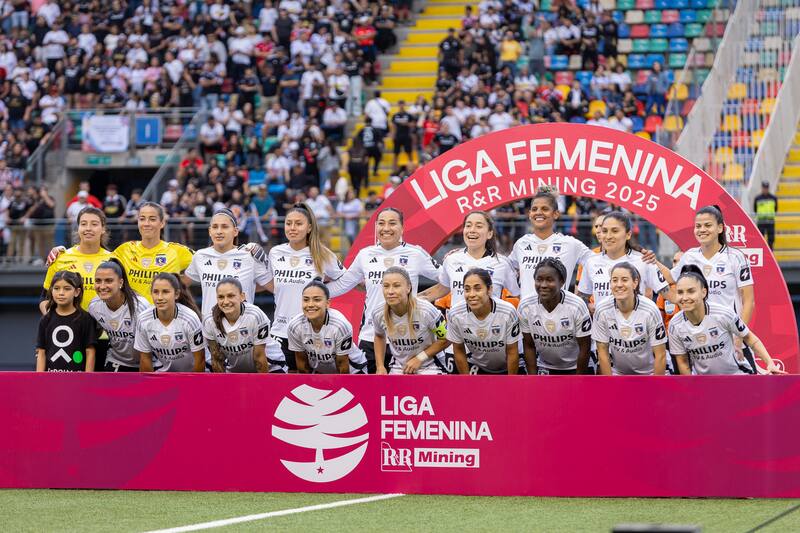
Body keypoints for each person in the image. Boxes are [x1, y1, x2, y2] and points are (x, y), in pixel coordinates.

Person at [327, 208, 441, 373]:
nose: (386, 228)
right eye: (381, 223)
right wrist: (311, 291)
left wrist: (421, 299)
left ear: (402, 228)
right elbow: (343, 284)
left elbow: (447, 279)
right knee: (372, 388)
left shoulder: (415, 253)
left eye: (392, 223)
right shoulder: (365, 255)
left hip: (407, 341)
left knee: (405, 389)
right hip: (371, 337)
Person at [657, 206, 754, 362]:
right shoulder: (690, 256)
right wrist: (652, 261)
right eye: (698, 226)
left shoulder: (736, 257)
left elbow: (749, 301)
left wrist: (739, 338)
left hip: (731, 338)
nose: (702, 230)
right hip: (700, 341)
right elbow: (670, 277)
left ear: (720, 228)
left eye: (708, 225)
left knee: (743, 378)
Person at [48, 202, 194, 303]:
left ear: (162, 223)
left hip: (163, 320)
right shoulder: (124, 250)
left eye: (152, 219)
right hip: (132, 324)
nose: (146, 223)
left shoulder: (176, 251)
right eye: (142, 219)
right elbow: (96, 256)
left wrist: (180, 284)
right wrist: (61, 250)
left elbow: (203, 260)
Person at [264, 204, 344, 371]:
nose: (292, 228)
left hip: (311, 334)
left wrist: (324, 292)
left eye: (298, 224)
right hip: (280, 332)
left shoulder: (322, 254)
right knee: (279, 384)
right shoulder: (275, 253)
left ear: (309, 227)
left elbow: (346, 280)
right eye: (288, 223)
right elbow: (271, 285)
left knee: (309, 382)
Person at [668, 265, 784, 375]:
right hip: (705, 383)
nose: (684, 297)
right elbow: (682, 361)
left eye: (691, 291)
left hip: (737, 376)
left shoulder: (723, 314)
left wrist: (770, 363)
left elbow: (749, 338)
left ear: (704, 292)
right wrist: (690, 387)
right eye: (680, 292)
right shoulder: (674, 325)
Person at [420, 211, 519, 308]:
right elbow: (441, 289)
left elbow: (518, 295)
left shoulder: (502, 263)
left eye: (479, 226)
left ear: (489, 234)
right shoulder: (451, 259)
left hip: (490, 319)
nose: (472, 230)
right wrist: (413, 299)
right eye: (468, 226)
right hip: (457, 319)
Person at [577, 211, 671, 313]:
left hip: (637, 322)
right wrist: (589, 307)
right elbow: (581, 298)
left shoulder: (643, 260)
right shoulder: (591, 261)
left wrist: (655, 262)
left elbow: (669, 290)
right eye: (603, 230)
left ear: (628, 234)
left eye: (614, 231)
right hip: (602, 322)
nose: (608, 236)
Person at [185, 209, 271, 319]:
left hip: (243, 326)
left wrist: (266, 263)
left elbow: (275, 286)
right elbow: (182, 285)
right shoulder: (200, 256)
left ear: (235, 231)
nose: (219, 231)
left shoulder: (250, 255)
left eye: (225, 227)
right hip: (210, 327)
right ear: (210, 231)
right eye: (215, 227)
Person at [510, 187, 593, 299]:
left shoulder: (570, 244)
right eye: (534, 209)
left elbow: (597, 263)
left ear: (556, 214)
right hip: (526, 309)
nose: (538, 212)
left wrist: (582, 290)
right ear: (529, 214)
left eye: (545, 209)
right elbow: (505, 269)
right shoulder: (521, 243)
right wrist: (516, 293)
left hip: (559, 309)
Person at [518, 258, 592, 375]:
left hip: (576, 366)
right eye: (539, 279)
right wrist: (533, 379)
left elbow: (585, 348)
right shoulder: (525, 306)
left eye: (549, 280)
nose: (543, 285)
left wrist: (578, 381)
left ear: (562, 282)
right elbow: (529, 346)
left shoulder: (577, 306)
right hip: (544, 366)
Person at [592, 263, 668, 376]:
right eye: (614, 280)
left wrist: (655, 385)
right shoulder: (602, 309)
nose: (619, 285)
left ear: (635, 283)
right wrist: (610, 384)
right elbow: (602, 353)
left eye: (624, 280)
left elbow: (660, 355)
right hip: (618, 373)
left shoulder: (650, 310)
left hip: (651, 373)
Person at [373, 266, 450, 374]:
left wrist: (420, 358)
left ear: (408, 288)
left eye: (396, 286)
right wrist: (380, 366)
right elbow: (379, 336)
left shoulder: (426, 310)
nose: (390, 291)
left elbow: (447, 338)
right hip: (399, 368)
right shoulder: (378, 312)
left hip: (430, 366)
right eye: (386, 286)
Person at [203, 278, 287, 373]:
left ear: (242, 296)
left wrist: (262, 383)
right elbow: (216, 358)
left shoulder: (255, 316)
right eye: (221, 297)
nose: (225, 301)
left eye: (231, 296)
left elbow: (259, 357)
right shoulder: (209, 321)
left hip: (271, 367)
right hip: (235, 370)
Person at [447, 268, 520, 375]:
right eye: (467, 289)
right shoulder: (455, 314)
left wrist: (511, 382)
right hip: (477, 366)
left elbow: (512, 351)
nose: (471, 294)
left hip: (509, 366)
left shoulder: (508, 311)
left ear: (489, 289)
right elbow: (458, 350)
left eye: (477, 289)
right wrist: (466, 381)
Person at [41, 207, 114, 313]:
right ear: (78, 228)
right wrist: (54, 319)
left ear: (103, 229)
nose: (88, 228)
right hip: (70, 323)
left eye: (94, 224)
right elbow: (45, 298)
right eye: (83, 224)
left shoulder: (113, 260)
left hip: (104, 323)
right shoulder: (60, 258)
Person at [288, 280, 368, 374]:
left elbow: (342, 366)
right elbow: (302, 364)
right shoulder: (295, 326)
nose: (310, 304)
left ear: (327, 303)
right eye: (306, 300)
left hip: (353, 371)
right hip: (321, 371)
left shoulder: (340, 325)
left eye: (317, 300)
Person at [88, 259, 153, 372]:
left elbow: (151, 345)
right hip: (117, 360)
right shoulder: (94, 306)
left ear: (121, 283)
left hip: (147, 360)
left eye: (108, 281)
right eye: (98, 281)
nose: (102, 286)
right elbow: (95, 333)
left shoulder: (141, 307)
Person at [134, 273, 205, 372]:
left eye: (165, 292)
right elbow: (145, 358)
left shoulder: (190, 319)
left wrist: (190, 381)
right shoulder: (143, 320)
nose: (159, 297)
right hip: (162, 373)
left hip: (190, 374)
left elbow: (200, 359)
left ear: (177, 294)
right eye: (155, 292)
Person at [36, 271, 97, 372]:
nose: (61, 293)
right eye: (56, 288)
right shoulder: (45, 320)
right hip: (51, 379)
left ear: (77, 292)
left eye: (67, 289)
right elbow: (41, 352)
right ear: (51, 291)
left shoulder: (85, 319)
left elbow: (90, 352)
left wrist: (87, 378)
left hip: (78, 378)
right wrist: (39, 378)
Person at [753, 181, 778, 250]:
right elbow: (755, 209)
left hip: (770, 221)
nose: (765, 189)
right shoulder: (757, 198)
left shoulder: (774, 198)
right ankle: (762, 253)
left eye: (766, 188)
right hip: (761, 221)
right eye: (764, 188)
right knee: (761, 239)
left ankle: (770, 253)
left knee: (771, 239)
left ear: (768, 188)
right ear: (762, 188)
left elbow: (776, 209)